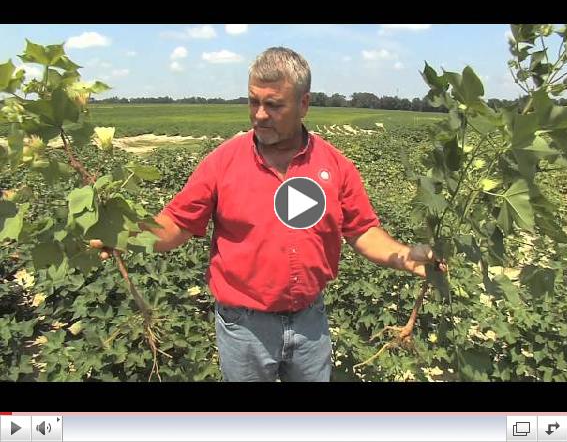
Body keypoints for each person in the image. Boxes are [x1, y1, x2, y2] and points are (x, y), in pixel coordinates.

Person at [91, 47, 446, 382]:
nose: (260, 115)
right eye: (253, 102)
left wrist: (406, 257)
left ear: (304, 104)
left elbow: (363, 232)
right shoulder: (223, 162)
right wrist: (125, 234)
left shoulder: (335, 166)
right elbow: (178, 224)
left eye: (274, 105)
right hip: (244, 327)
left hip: (310, 321)